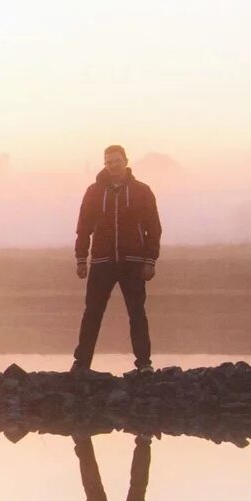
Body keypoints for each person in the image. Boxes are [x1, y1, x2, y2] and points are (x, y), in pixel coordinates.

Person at [72, 143, 161, 372]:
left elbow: (154, 227)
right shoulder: (93, 191)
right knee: (92, 312)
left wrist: (150, 261)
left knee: (137, 313)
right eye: (109, 162)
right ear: (105, 165)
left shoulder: (142, 190)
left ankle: (144, 364)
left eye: (117, 161)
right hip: (102, 262)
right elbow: (83, 227)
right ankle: (81, 364)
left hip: (133, 262)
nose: (113, 166)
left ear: (126, 162)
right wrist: (81, 258)